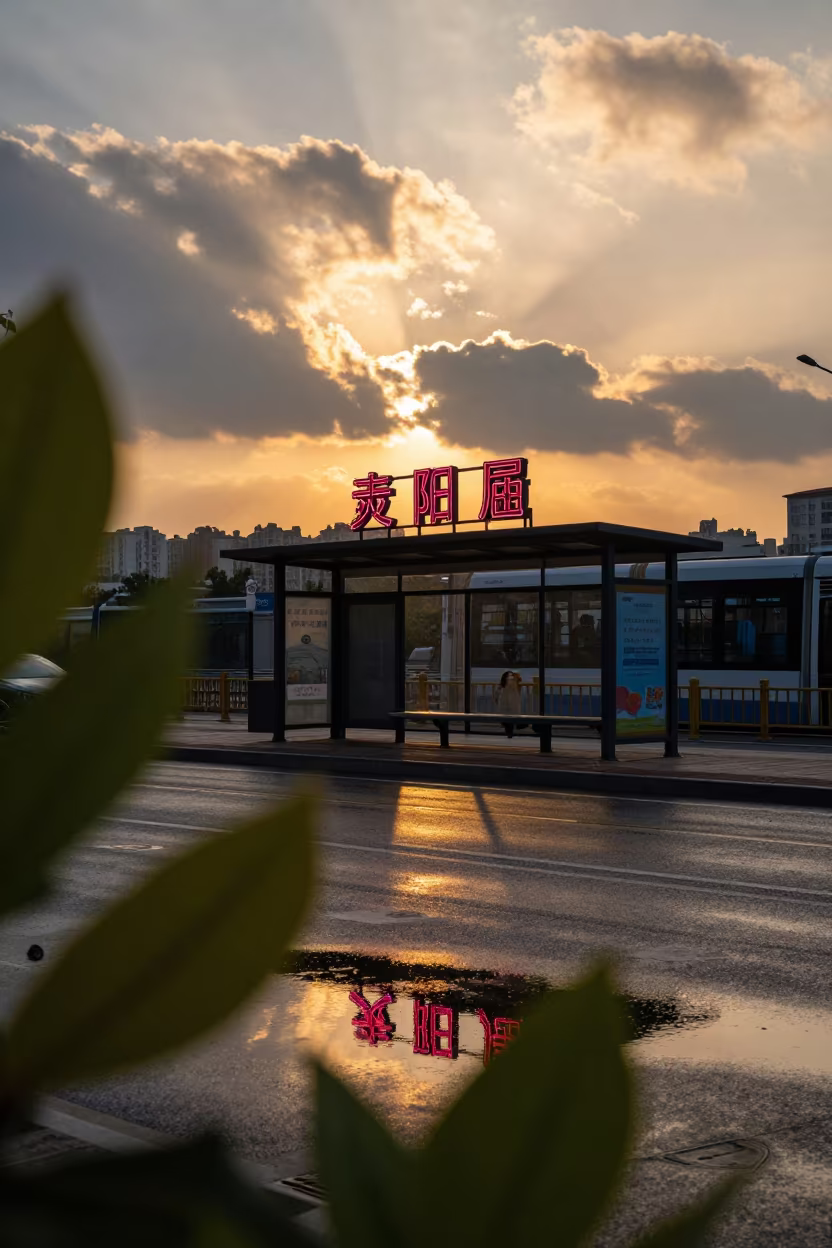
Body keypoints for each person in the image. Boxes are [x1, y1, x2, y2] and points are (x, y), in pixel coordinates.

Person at [496, 669, 522, 738]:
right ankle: (510, 733)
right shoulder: (512, 682)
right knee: (511, 720)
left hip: (504, 704)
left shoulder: (502, 685)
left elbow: (497, 694)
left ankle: (508, 732)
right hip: (512, 704)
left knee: (506, 720)